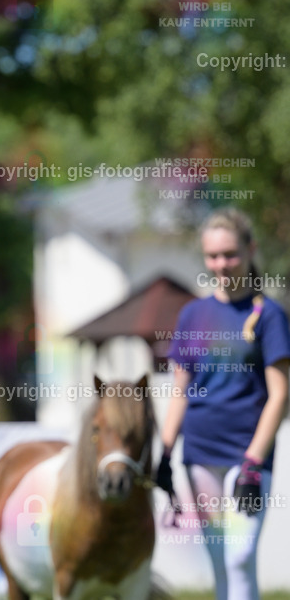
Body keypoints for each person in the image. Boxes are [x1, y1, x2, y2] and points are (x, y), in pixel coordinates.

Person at [157, 207, 289, 600]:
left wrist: (252, 463)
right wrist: (164, 453)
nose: (222, 264)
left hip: (248, 458)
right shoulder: (192, 314)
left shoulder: (269, 315)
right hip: (199, 454)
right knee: (219, 563)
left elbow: (280, 394)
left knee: (240, 556)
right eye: (213, 256)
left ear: (251, 250)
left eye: (230, 254)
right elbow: (180, 390)